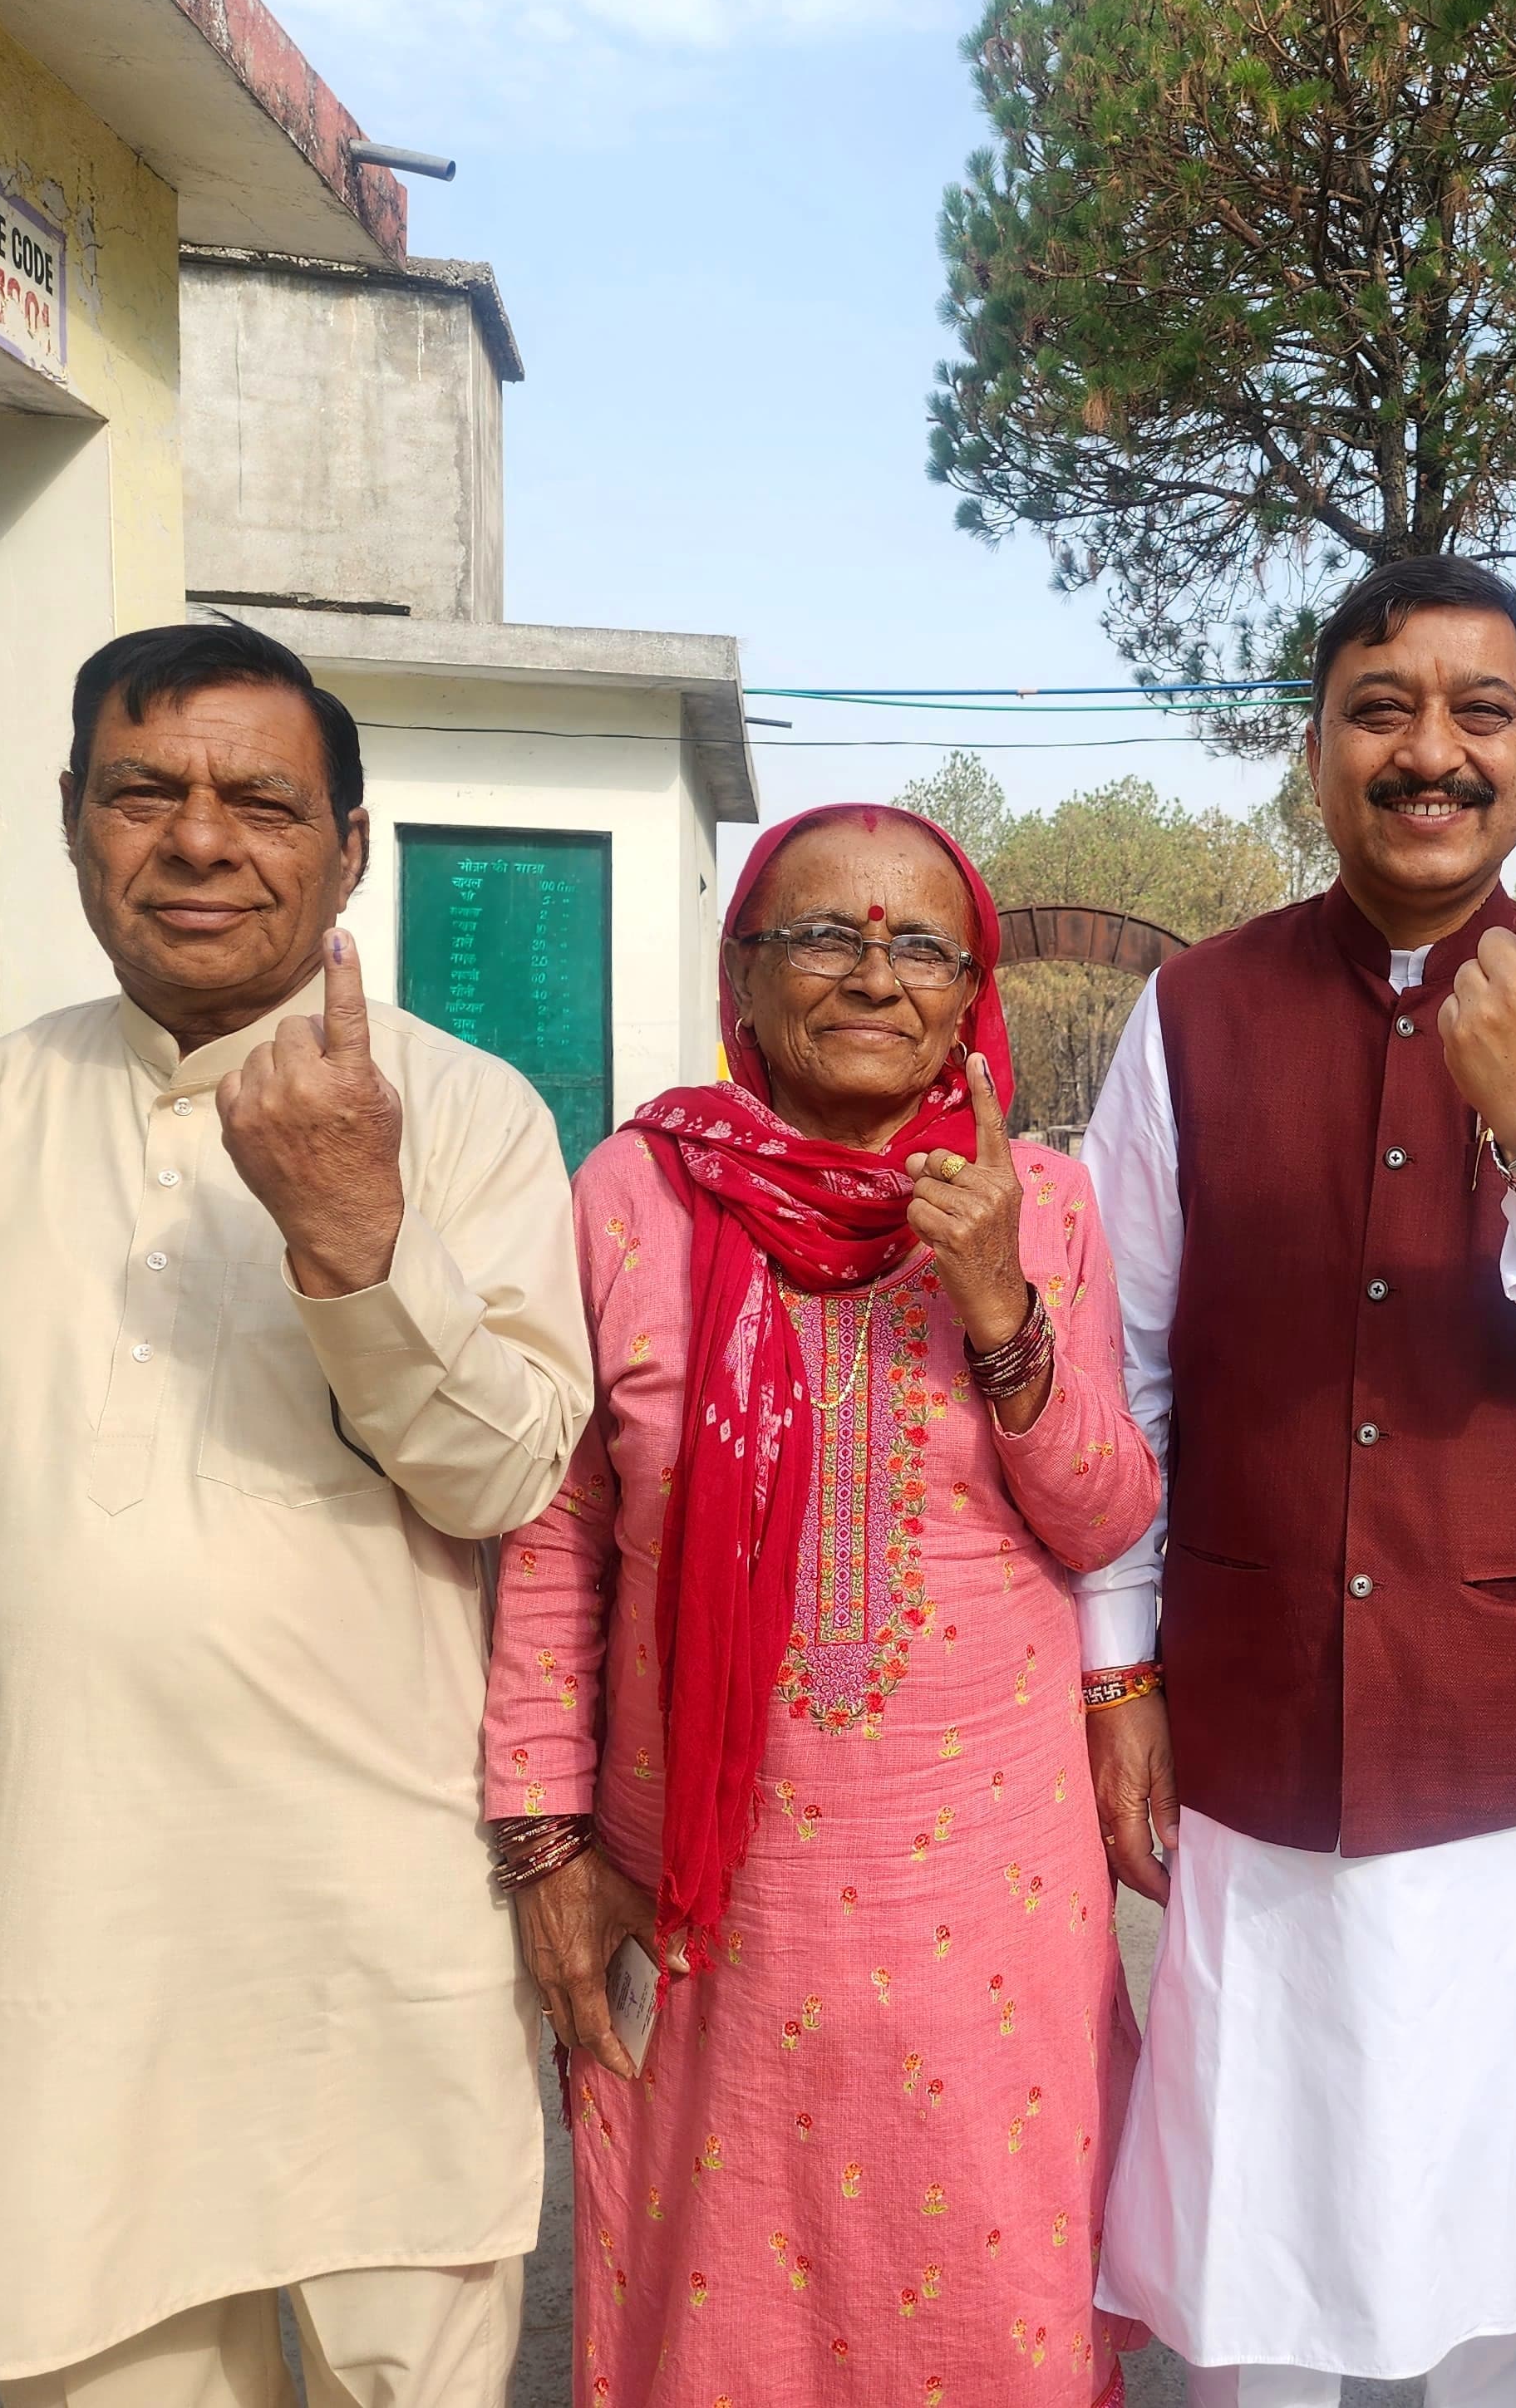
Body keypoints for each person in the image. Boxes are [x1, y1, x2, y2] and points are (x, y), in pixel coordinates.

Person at [0, 624, 591, 2402]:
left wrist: (350, 1230)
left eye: (260, 800)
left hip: (367, 1930)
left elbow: (501, 1473)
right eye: (141, 793)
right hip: (58, 1919)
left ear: (344, 845)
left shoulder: (470, 1120)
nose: (197, 841)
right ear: (71, 823)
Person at [1080, 555, 1516, 2408]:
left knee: (1504, 2237)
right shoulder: (1192, 1013)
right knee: (1251, 2247)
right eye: (1382, 710)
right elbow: (1124, 1371)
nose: (1429, 753)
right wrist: (1116, 1674)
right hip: (1253, 1741)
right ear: (1313, 749)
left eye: (1480, 714)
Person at [484, 804, 1159, 2408]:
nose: (874, 974)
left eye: (921, 943)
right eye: (824, 936)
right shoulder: (636, 1195)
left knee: (995, 2280)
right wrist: (543, 1839)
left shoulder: (1042, 1202)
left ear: (971, 989)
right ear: (744, 971)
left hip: (986, 1905)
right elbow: (560, 1535)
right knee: (728, 2300)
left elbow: (1109, 1509)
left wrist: (996, 1301)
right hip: (717, 1895)